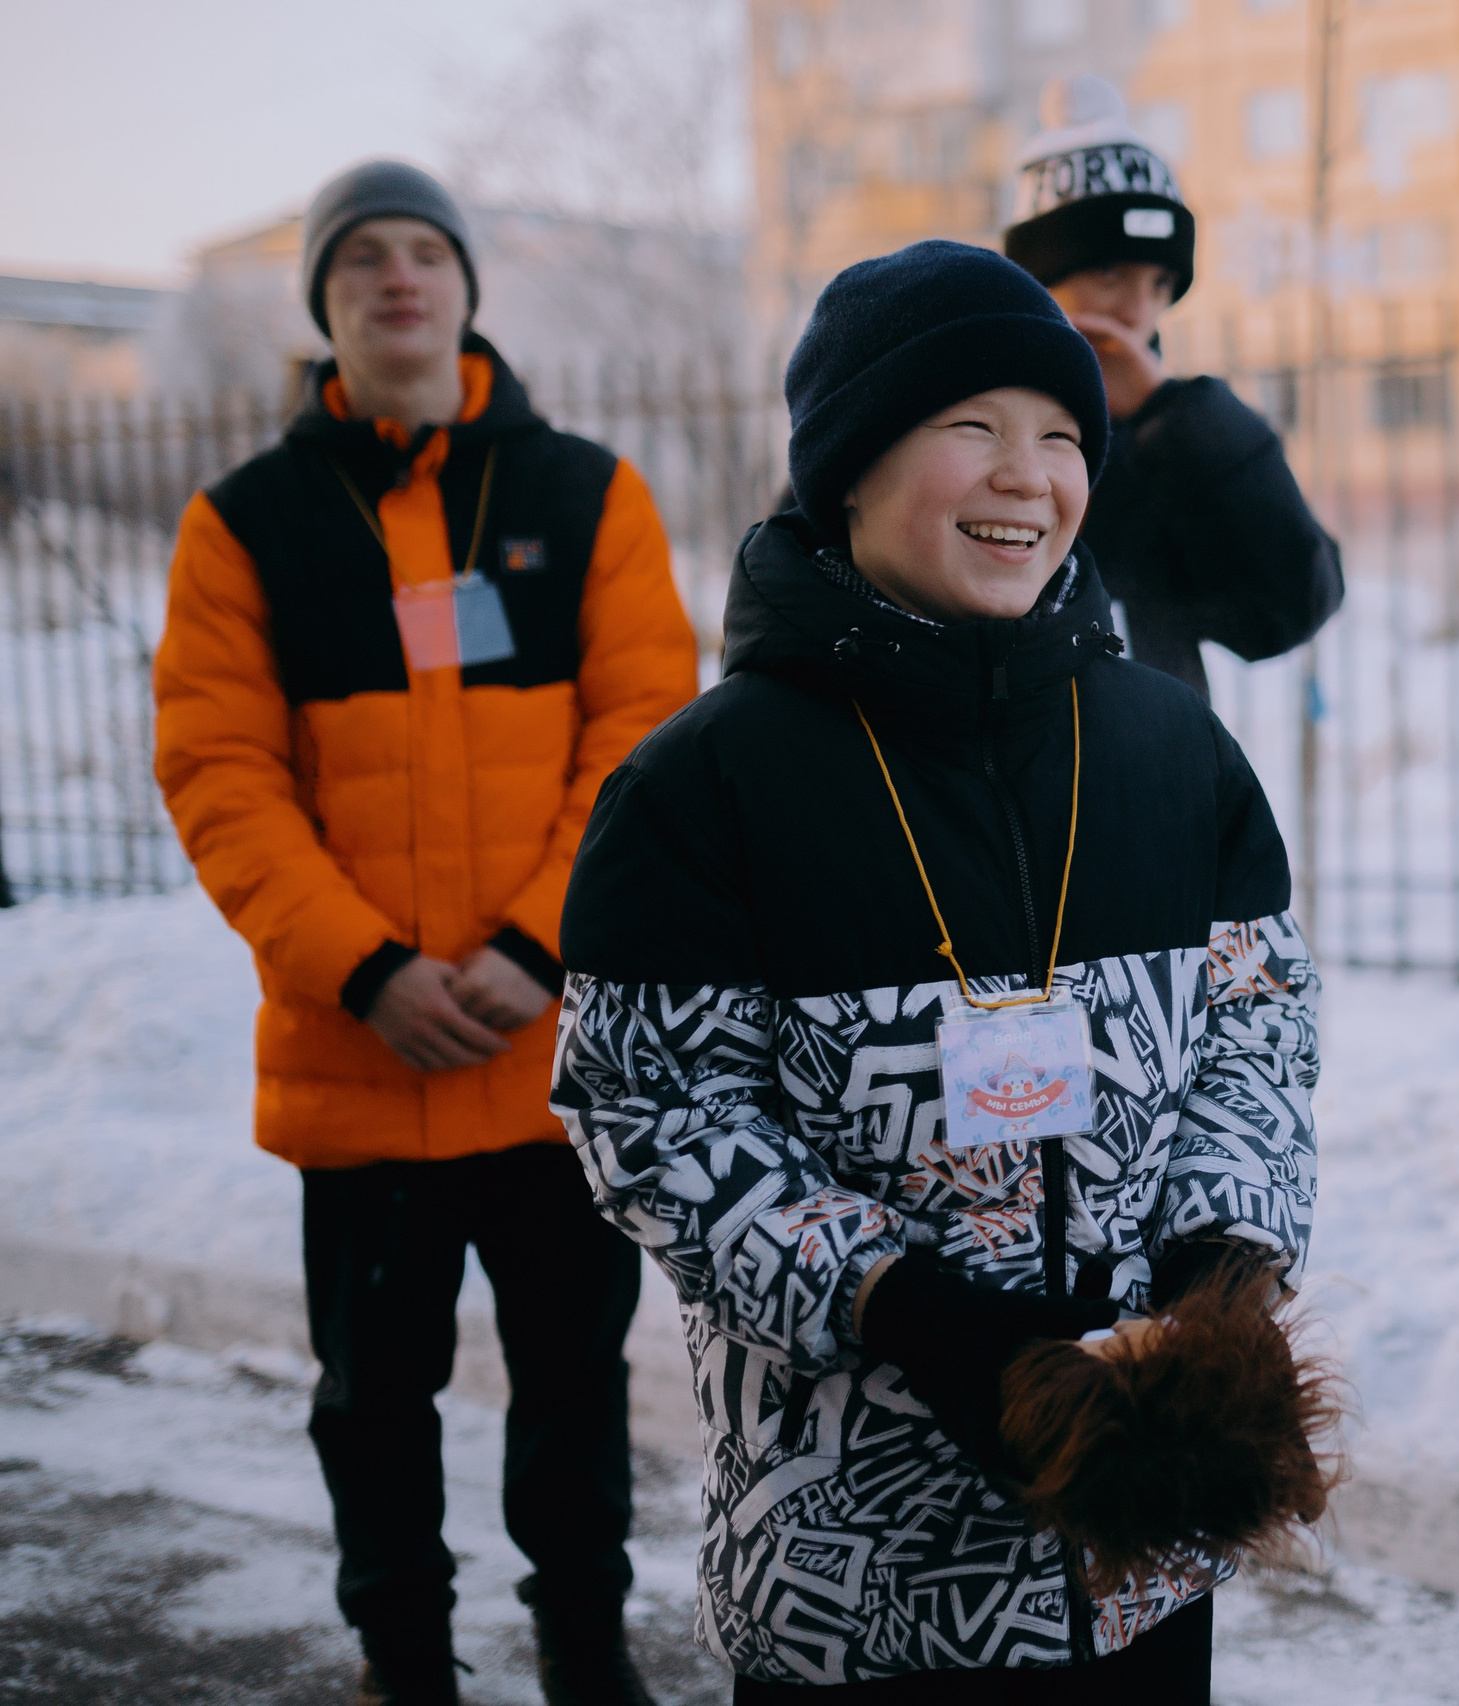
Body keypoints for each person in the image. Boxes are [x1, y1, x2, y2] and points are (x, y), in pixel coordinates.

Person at [548, 240, 1324, 1700]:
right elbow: (652, 1116)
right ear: (847, 466)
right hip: (854, 1582)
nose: (1025, 475)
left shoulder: (1172, 750)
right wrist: (916, 1313)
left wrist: (1216, 1274)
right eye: (968, 427)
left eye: (1058, 433)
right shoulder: (705, 784)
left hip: (1133, 1559)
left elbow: (1259, 1039)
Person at [151, 159, 699, 1706]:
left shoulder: (584, 491)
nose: (399, 279)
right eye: (363, 259)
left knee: (574, 1389)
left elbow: (645, 734)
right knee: (374, 1399)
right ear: (323, 304)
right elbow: (220, 775)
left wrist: (541, 949)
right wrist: (372, 972)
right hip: (361, 1058)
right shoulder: (243, 525)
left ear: (467, 287)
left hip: (549, 1065)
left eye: (425, 253)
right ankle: (409, 1664)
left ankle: (588, 1657)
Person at [1001, 74, 1343, 701]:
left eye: (1160, 284)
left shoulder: (1169, 440)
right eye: (1109, 271)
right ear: (1032, 282)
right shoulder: (946, 422)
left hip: (1160, 782)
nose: (1139, 309)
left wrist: (1173, 416)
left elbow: (1294, 605)